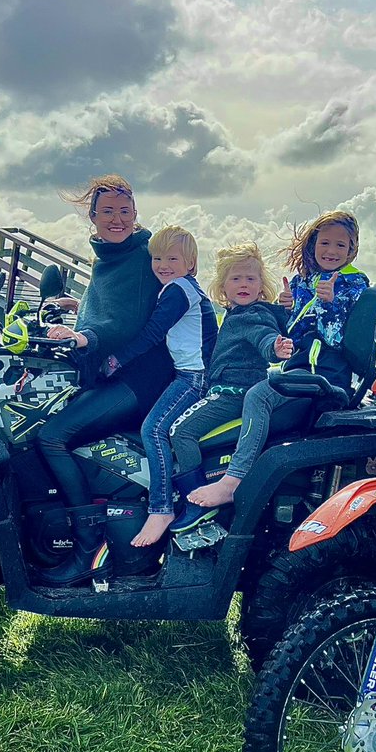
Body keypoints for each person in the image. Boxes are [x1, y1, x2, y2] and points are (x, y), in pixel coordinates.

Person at [37, 174, 174, 579]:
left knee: (52, 437)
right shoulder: (109, 256)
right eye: (108, 211)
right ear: (93, 217)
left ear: (135, 213)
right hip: (119, 372)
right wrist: (75, 306)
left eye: (125, 211)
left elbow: (128, 320)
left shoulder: (140, 255)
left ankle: (87, 549)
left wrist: (84, 337)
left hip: (140, 376)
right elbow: (110, 304)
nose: (117, 219)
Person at [189, 210, 369, 510]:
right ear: (313, 245)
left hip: (326, 376)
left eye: (341, 245)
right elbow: (294, 335)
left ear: (351, 250)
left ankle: (234, 480)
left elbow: (337, 339)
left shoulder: (354, 283)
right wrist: (287, 310)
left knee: (258, 394)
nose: (332, 251)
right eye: (325, 243)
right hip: (299, 370)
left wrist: (329, 305)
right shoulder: (302, 282)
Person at [101, 226, 217, 550]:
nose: (163, 265)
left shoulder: (179, 289)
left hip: (194, 378)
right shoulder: (182, 287)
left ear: (190, 263)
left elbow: (153, 332)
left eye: (172, 259)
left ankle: (161, 508)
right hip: (188, 373)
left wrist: (115, 360)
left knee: (153, 430)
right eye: (157, 258)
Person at [168, 242, 293, 533]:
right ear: (223, 286)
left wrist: (274, 348)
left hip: (232, 393)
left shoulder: (250, 315)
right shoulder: (235, 314)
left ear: (261, 285)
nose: (244, 284)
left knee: (180, 432)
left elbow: (263, 335)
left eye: (251, 278)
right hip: (229, 389)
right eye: (236, 278)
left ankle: (196, 502)